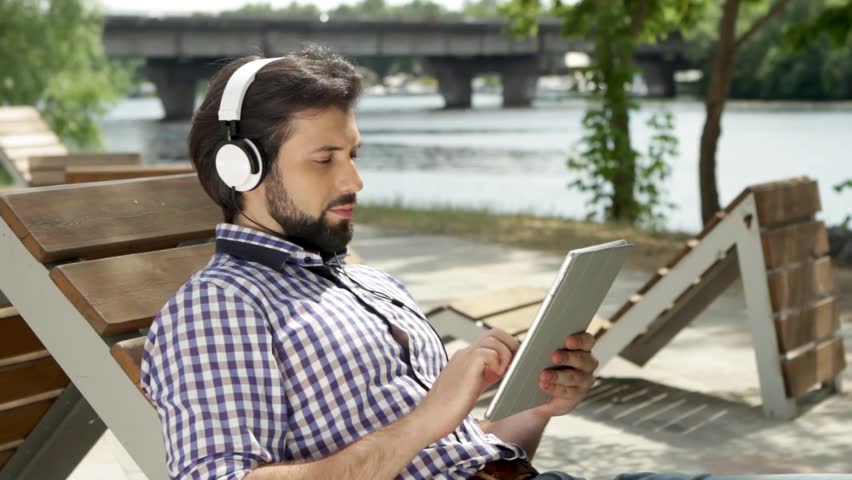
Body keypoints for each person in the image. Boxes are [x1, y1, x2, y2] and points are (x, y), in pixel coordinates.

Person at [139, 45, 850, 480]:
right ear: (242, 169)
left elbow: (458, 456)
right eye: (325, 159)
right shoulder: (221, 308)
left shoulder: (364, 280)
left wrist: (538, 409)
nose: (355, 180)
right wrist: (429, 416)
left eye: (353, 154)